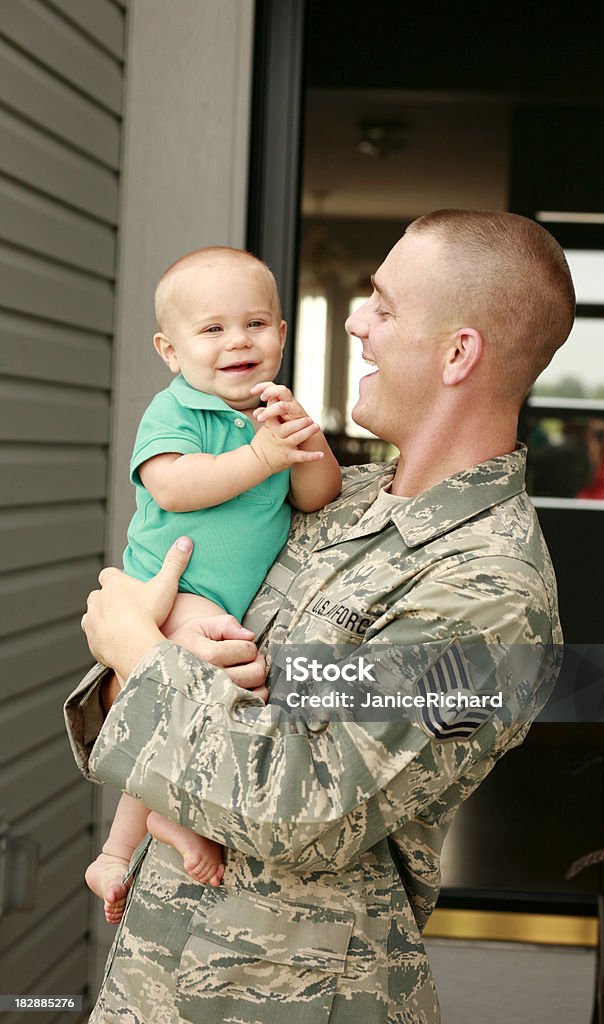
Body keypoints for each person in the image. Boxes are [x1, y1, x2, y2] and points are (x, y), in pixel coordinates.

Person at [67, 210, 574, 1024]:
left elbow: (303, 806)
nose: (352, 320)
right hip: (161, 980)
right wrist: (158, 644)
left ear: (457, 354)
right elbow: (192, 650)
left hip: (288, 1000)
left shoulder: (490, 595)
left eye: (382, 303)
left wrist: (132, 644)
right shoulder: (345, 500)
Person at [84, 246, 342, 924]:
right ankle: (164, 823)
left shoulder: (275, 413)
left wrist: (302, 442)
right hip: (172, 582)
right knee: (211, 681)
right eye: (212, 329)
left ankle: (119, 850)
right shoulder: (177, 411)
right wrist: (258, 456)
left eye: (256, 324)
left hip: (218, 594)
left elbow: (317, 496)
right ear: (170, 350)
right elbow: (171, 483)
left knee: (188, 694)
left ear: (282, 337)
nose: (238, 341)